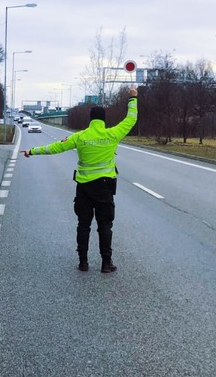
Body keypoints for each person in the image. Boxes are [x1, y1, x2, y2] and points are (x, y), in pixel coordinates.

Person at [21, 87, 138, 273]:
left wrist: (32, 151)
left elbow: (55, 148)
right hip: (105, 188)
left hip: (84, 188)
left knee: (83, 225)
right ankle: (106, 263)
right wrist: (133, 98)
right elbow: (131, 119)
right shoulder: (113, 134)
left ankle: (83, 262)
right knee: (105, 225)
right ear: (103, 120)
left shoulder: (80, 137)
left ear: (90, 119)